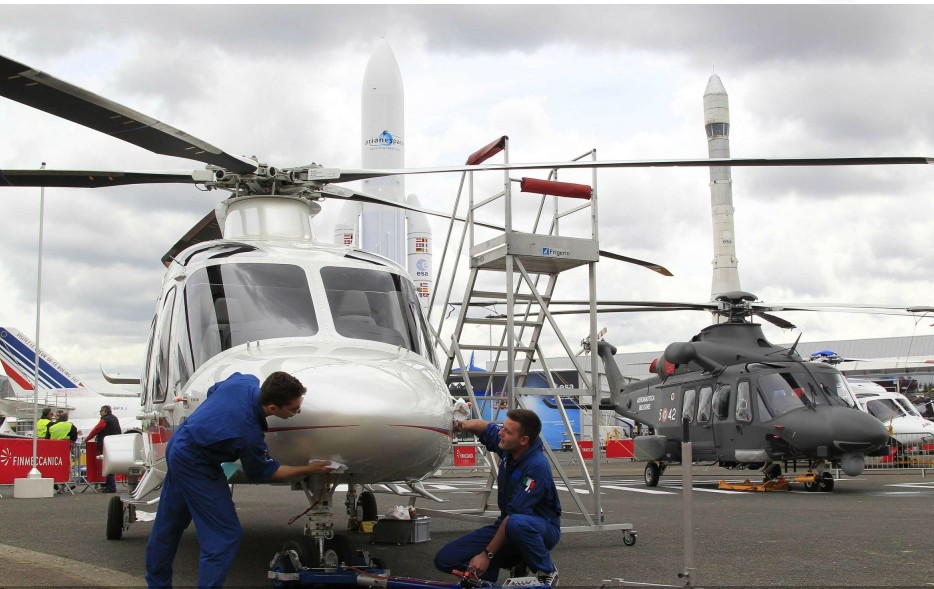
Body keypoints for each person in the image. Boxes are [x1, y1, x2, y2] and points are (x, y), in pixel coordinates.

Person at [145, 371, 338, 589]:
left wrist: (214, 417)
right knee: (224, 534)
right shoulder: (248, 435)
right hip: (196, 462)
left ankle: (157, 584)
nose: (298, 410)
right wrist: (309, 468)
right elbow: (267, 472)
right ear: (273, 408)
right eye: (294, 410)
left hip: (180, 443)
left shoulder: (245, 381)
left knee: (169, 524)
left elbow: (214, 390)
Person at [434, 409, 561, 587]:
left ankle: (546, 569)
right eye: (503, 427)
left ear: (524, 440)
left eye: (507, 431)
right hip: (508, 524)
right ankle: (493, 573)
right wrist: (462, 425)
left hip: (540, 528)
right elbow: (485, 427)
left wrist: (486, 555)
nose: (501, 432)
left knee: (516, 524)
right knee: (444, 559)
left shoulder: (536, 466)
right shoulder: (511, 447)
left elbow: (513, 516)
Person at [84, 405, 122, 492]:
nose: (100, 413)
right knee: (110, 465)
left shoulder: (105, 420)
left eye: (101, 411)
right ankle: (109, 486)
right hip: (115, 443)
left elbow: (96, 429)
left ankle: (111, 487)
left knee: (107, 465)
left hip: (106, 444)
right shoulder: (115, 418)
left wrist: (87, 439)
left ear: (105, 411)